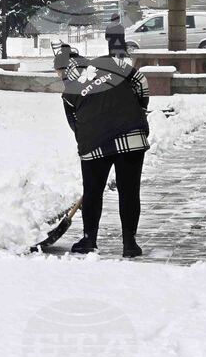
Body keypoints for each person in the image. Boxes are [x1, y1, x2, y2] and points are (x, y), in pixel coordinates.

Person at [55, 35, 150, 258]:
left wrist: (91, 140)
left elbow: (75, 126)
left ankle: (89, 240)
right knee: (129, 191)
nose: (58, 76)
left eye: (58, 72)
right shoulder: (111, 64)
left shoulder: (69, 93)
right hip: (132, 136)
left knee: (93, 192)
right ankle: (130, 244)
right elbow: (139, 81)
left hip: (94, 145)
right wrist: (139, 107)